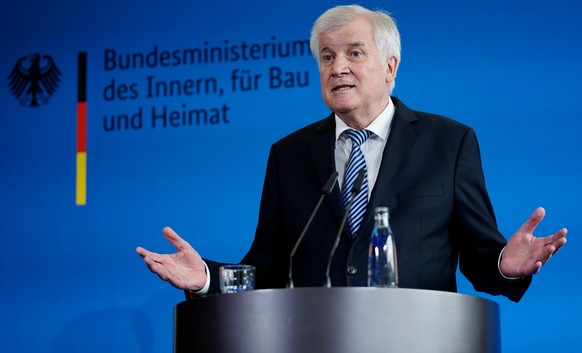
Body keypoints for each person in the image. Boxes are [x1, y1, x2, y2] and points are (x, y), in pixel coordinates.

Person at [136, 5, 567, 302]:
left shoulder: (448, 143)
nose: (337, 67)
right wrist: (207, 278)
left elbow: (479, 256)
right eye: (326, 56)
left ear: (390, 67)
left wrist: (507, 265)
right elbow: (266, 268)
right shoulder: (289, 154)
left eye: (354, 53)